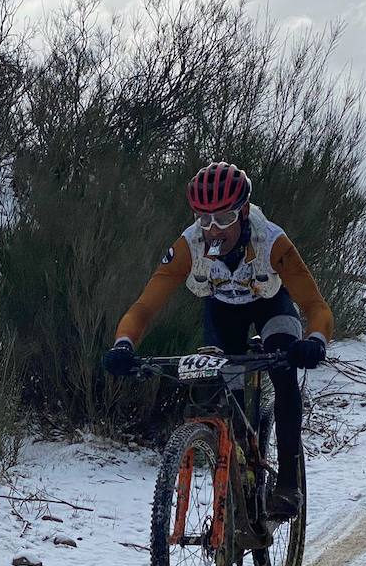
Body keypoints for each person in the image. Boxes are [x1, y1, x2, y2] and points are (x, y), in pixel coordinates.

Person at [102, 161, 333, 521]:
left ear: (243, 212)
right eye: (203, 218)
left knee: (284, 377)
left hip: (270, 305)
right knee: (226, 394)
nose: (213, 230)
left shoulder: (272, 241)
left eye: (223, 218)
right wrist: (123, 344)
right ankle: (237, 475)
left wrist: (315, 339)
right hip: (221, 311)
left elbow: (315, 305)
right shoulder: (189, 245)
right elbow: (145, 306)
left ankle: (288, 482)